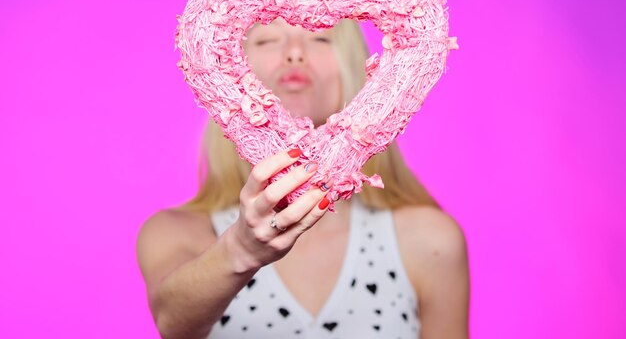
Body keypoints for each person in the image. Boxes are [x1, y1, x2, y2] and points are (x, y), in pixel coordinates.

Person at [136, 18, 470, 339]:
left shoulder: (430, 240)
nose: (294, 51)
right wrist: (241, 249)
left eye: (321, 38)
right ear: (230, 78)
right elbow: (173, 325)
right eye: (267, 40)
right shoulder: (177, 232)